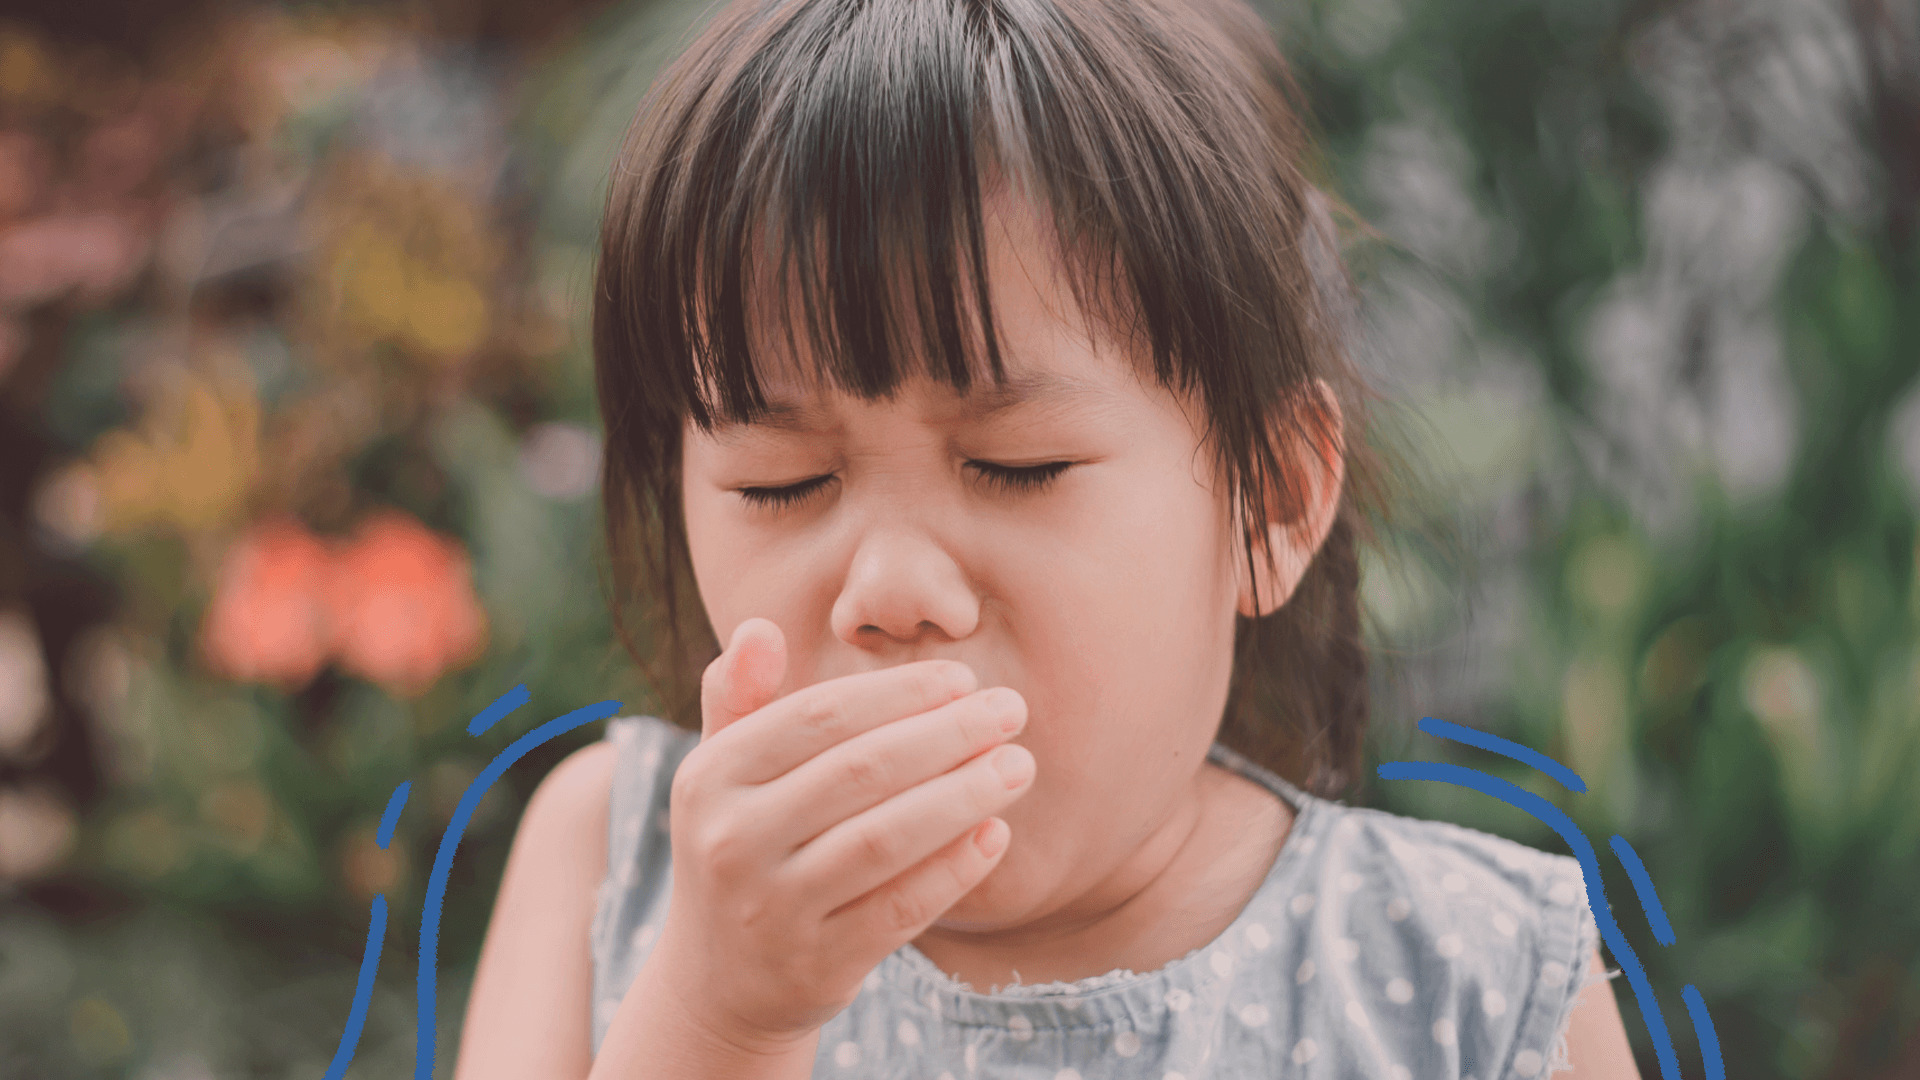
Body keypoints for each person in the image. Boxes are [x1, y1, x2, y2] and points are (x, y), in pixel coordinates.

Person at [456, 0, 1643, 1076]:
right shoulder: (609, 859)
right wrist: (719, 1023)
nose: (892, 586)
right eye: (784, 481)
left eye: (1015, 467)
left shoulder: (1473, 980)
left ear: (1272, 499)